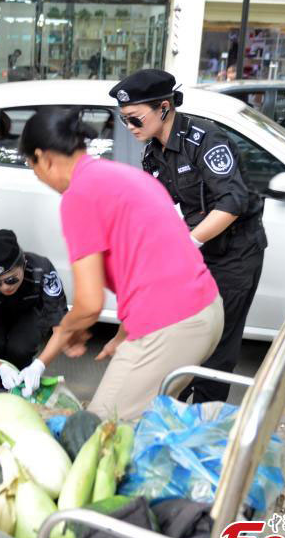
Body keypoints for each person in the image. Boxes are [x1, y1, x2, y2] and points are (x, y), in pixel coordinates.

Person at [18, 106, 224, 420]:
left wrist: (62, 336)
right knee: (147, 420)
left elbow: (89, 304)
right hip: (206, 313)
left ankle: (229, 434)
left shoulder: (79, 196)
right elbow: (151, 265)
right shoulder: (123, 175)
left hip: (171, 325)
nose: (38, 177)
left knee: (100, 430)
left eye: (32, 167)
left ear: (43, 157)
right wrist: (122, 335)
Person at [110, 69, 266, 404]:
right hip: (200, 251)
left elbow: (233, 201)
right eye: (124, 121)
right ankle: (178, 410)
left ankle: (204, 422)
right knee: (190, 332)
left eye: (135, 119)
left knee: (219, 343)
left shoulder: (205, 140)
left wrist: (189, 243)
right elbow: (162, 209)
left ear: (164, 108)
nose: (130, 128)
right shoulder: (153, 153)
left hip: (236, 251)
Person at [0, 229, 67, 395]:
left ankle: (25, 384)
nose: (5, 287)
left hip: (29, 310)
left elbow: (61, 330)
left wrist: (39, 365)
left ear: (23, 263)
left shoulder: (42, 269)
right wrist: (1, 368)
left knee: (20, 349)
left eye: (11, 279)